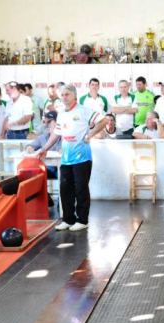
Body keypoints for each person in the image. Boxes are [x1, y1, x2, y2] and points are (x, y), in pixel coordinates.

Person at [39, 84, 109, 232]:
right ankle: (68, 220)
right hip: (66, 159)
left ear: (74, 96)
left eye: (67, 95)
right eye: (62, 95)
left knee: (81, 189)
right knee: (65, 190)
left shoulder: (84, 110)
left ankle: (82, 220)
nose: (64, 97)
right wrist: (44, 148)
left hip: (82, 158)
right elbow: (56, 134)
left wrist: (90, 134)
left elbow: (103, 121)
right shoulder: (61, 114)